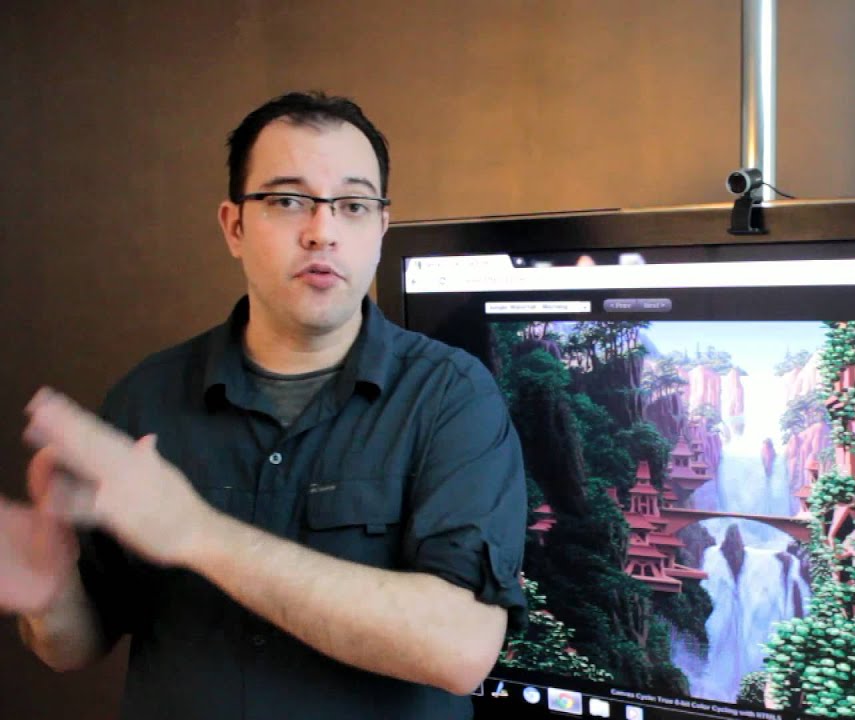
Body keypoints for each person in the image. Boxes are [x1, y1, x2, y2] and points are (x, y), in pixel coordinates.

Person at [0, 91, 528, 719]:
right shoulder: (145, 397)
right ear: (234, 227)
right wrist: (49, 593)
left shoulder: (451, 397)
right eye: (286, 200)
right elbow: (74, 647)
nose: (322, 232)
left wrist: (196, 532)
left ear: (380, 230)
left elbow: (461, 648)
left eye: (353, 206)